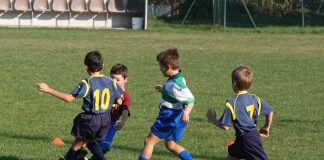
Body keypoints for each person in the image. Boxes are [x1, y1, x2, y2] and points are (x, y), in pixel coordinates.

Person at [36, 50, 123, 160]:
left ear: (86, 67)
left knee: (78, 143)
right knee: (89, 141)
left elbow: (68, 99)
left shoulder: (87, 83)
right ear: (103, 65)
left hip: (91, 120)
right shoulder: (111, 82)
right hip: (105, 119)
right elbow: (119, 101)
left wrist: (48, 89)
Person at [138, 48, 196, 160]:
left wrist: (186, 113)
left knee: (149, 141)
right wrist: (164, 89)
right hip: (177, 117)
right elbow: (176, 94)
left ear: (168, 66)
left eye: (161, 67)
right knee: (170, 145)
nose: (160, 69)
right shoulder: (178, 78)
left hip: (169, 116)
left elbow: (191, 100)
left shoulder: (176, 84)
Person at [206, 65, 274, 160]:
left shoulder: (232, 103)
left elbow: (225, 126)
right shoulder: (255, 99)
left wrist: (213, 119)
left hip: (248, 139)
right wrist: (266, 127)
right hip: (245, 137)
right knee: (231, 157)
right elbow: (270, 112)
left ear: (234, 83)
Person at [98, 63, 131, 153]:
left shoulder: (126, 96)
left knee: (103, 147)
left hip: (112, 124)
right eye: (112, 78)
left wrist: (122, 122)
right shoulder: (107, 91)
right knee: (89, 142)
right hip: (100, 121)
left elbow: (125, 110)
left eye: (117, 79)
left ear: (125, 79)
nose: (114, 81)